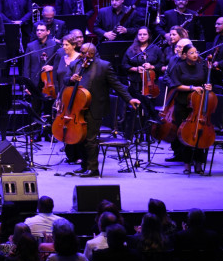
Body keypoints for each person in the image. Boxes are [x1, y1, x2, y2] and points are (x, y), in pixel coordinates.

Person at [61, 42, 140, 177]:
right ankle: (84, 166)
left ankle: (93, 169)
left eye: (88, 53)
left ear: (93, 53)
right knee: (80, 139)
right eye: (83, 52)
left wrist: (129, 99)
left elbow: (117, 85)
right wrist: (71, 78)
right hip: (77, 108)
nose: (85, 55)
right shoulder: (76, 64)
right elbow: (65, 80)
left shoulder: (104, 66)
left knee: (90, 139)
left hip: (94, 107)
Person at [167, 44, 212, 173]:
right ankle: (187, 164)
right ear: (185, 55)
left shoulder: (202, 67)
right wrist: (192, 88)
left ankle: (199, 163)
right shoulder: (178, 67)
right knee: (185, 134)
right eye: (191, 53)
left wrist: (208, 86)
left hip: (199, 103)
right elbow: (176, 85)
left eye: (196, 52)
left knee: (200, 133)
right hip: (183, 103)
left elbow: (206, 83)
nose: (195, 55)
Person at [122, 27, 164, 126]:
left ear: (149, 36)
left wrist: (152, 66)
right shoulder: (131, 49)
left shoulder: (155, 49)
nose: (142, 36)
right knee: (141, 98)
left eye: (144, 34)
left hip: (151, 83)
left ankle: (150, 124)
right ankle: (153, 117)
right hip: (135, 81)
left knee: (146, 98)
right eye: (140, 34)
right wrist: (136, 69)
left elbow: (161, 65)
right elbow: (124, 64)